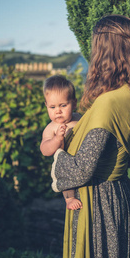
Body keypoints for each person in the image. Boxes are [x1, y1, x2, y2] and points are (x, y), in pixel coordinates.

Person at [50, 14, 130, 258]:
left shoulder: (108, 103)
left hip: (95, 205)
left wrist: (57, 154)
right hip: (118, 197)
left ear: (104, 51)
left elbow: (82, 169)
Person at [40, 75, 83, 210]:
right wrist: (56, 139)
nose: (58, 111)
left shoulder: (79, 118)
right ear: (46, 106)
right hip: (66, 163)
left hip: (83, 159)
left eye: (63, 105)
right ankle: (69, 199)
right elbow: (45, 150)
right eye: (52, 107)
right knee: (64, 175)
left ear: (74, 103)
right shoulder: (51, 128)